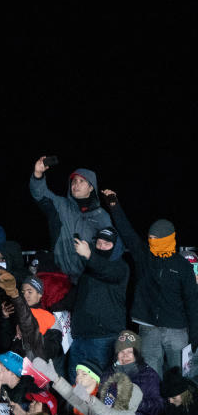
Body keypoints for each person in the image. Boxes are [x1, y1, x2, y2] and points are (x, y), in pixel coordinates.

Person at [102, 189, 198, 377]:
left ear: (166, 239)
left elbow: (193, 302)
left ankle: (180, 406)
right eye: (150, 238)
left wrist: (194, 336)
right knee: (151, 376)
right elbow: (127, 233)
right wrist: (114, 206)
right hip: (148, 328)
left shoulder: (182, 266)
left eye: (155, 239)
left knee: (180, 376)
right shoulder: (144, 256)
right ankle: (155, 406)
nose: (151, 241)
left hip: (176, 330)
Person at [29, 158, 114, 284]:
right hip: (60, 276)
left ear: (91, 188)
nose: (76, 184)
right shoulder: (61, 205)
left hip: (88, 279)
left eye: (81, 181)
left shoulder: (101, 216)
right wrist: (37, 174)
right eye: (74, 181)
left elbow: (111, 249)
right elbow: (40, 194)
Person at [68, 227, 128, 383]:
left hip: (104, 338)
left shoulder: (120, 267)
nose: (101, 247)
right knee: (76, 385)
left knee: (100, 384)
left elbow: (106, 271)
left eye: (106, 244)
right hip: (80, 336)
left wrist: (88, 255)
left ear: (116, 247)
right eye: (99, 243)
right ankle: (76, 409)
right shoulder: (88, 269)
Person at [103, 330, 163, 415]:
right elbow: (101, 399)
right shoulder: (108, 373)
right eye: (121, 351)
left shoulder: (149, 375)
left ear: (137, 354)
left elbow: (159, 406)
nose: (125, 356)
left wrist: (137, 403)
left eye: (130, 352)